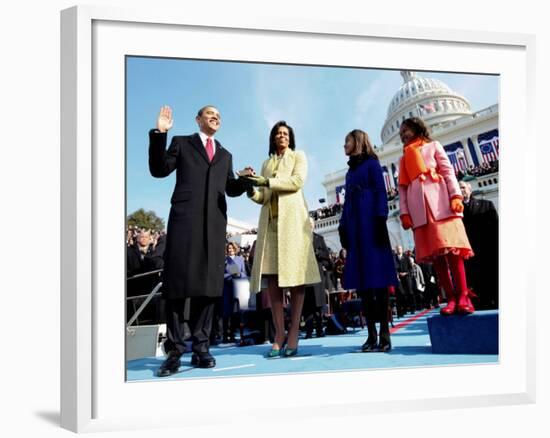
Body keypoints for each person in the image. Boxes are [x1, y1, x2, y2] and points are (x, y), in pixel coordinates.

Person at [149, 105, 249, 375]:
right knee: (177, 286)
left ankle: (201, 348)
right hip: (184, 222)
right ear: (198, 119)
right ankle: (175, 351)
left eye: (219, 114)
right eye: (209, 114)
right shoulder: (182, 143)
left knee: (208, 287)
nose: (215, 116)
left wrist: (244, 181)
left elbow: (230, 188)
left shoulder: (225, 155)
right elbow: (158, 169)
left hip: (214, 226)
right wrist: (160, 133)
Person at [243, 121, 320, 357]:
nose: (282, 136)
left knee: (296, 279)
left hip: (294, 224)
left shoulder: (298, 156)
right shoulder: (267, 163)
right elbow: (264, 196)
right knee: (273, 281)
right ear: (273, 138)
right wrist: (250, 188)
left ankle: (294, 331)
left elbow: (297, 182)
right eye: (278, 133)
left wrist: (266, 181)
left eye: (285, 133)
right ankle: (279, 333)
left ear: (290, 138)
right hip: (271, 224)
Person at [397, 117, 474, 316]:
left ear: (416, 128)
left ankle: (463, 296)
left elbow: (448, 171)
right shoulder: (403, 158)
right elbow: (402, 189)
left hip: (441, 204)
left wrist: (456, 195)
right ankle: (450, 298)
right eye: (401, 132)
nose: (402, 134)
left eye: (405, 130)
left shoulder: (433, 146)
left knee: (453, 254)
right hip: (420, 211)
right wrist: (404, 212)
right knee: (438, 259)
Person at [338, 129, 398, 352]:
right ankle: (371, 333)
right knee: (363, 284)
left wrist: (381, 218)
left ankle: (384, 333)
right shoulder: (349, 172)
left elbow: (381, 192)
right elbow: (346, 203)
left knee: (378, 282)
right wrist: (342, 225)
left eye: (347, 140)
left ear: (358, 141)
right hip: (355, 228)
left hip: (372, 226)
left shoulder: (372, 164)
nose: (344, 145)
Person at [459, 180, 499, 309]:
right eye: (458, 188)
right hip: (471, 256)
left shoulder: (486, 205)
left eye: (463, 187)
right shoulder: (455, 212)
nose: (461, 190)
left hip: (489, 252)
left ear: (470, 189)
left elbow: (496, 229)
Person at [303, 217, 330, 339]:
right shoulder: (301, 239)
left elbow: (327, 256)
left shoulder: (319, 238)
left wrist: (319, 254)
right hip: (306, 276)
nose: (309, 225)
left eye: (311, 223)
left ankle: (319, 330)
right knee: (308, 306)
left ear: (314, 225)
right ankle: (308, 332)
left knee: (319, 305)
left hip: (318, 275)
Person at [221, 241, 247, 342]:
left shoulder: (240, 259)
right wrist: (230, 276)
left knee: (235, 313)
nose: (230, 250)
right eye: (229, 249)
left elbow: (244, 272)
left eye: (232, 248)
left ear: (235, 249)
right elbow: (221, 275)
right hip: (227, 288)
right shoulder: (224, 259)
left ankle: (232, 334)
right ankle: (224, 336)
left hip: (237, 288)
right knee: (226, 312)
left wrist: (239, 275)